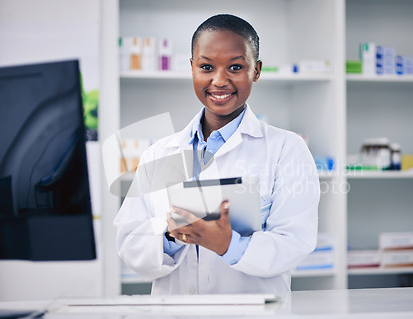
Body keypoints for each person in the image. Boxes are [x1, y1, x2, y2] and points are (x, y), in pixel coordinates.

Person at [114, 14, 320, 296]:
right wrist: (171, 236)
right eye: (206, 67)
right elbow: (129, 242)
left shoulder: (286, 149)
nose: (219, 80)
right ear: (192, 68)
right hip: (175, 318)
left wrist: (228, 245)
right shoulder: (159, 153)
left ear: (256, 71)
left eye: (235, 67)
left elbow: (295, 242)